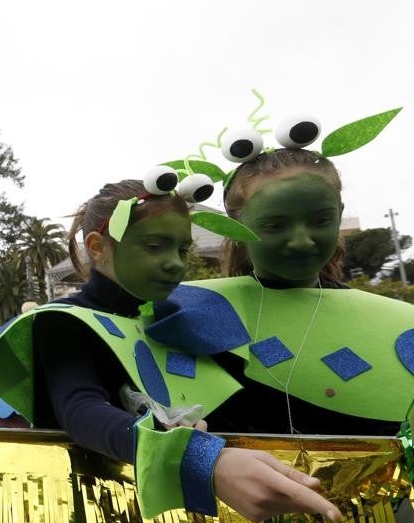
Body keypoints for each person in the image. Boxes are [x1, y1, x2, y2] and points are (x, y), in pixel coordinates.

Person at [0, 178, 342, 522]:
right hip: (95, 514)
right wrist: (201, 459)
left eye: (182, 250)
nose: (175, 264)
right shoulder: (62, 322)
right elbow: (80, 409)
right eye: (155, 247)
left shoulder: (177, 320)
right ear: (98, 247)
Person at [152, 140, 414, 438]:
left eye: (321, 220)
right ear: (234, 226)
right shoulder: (184, 317)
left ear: (339, 214)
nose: (302, 241)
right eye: (275, 226)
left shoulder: (398, 326)